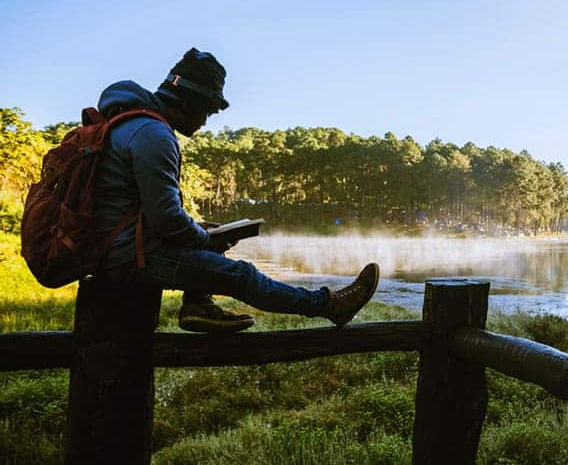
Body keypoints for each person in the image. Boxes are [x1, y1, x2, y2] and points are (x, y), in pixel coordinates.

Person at [93, 48, 379, 332]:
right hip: (128, 258)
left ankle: (198, 306)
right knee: (242, 276)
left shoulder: (129, 124)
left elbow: (134, 209)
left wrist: (200, 232)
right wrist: (206, 239)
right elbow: (166, 219)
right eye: (207, 110)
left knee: (208, 240)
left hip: (118, 248)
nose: (205, 121)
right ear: (191, 101)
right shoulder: (153, 135)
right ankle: (330, 306)